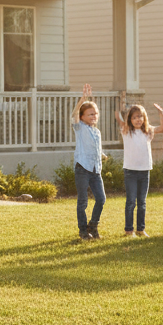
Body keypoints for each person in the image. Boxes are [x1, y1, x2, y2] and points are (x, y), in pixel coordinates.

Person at [115, 99, 163, 238]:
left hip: (144, 171)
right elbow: (118, 118)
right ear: (130, 120)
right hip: (130, 172)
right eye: (134, 117)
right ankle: (129, 230)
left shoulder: (148, 131)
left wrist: (161, 113)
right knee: (131, 201)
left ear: (144, 118)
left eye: (140, 116)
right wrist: (118, 106)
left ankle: (140, 229)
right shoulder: (126, 131)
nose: (138, 119)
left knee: (142, 202)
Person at [72, 83, 106, 240]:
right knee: (83, 201)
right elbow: (74, 114)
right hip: (82, 168)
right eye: (90, 114)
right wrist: (82, 100)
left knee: (101, 199)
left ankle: (93, 225)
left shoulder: (96, 131)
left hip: (95, 169)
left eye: (95, 114)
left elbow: (96, 147)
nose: (94, 116)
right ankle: (83, 231)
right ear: (82, 117)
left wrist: (102, 155)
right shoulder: (80, 128)